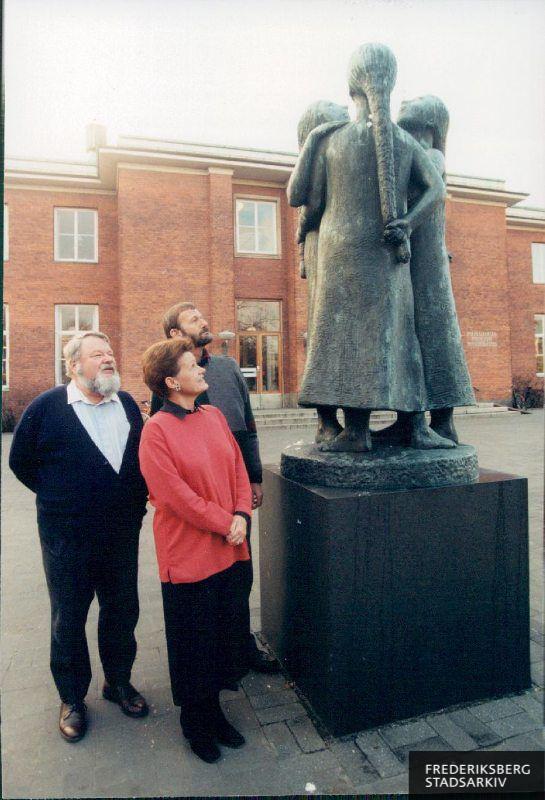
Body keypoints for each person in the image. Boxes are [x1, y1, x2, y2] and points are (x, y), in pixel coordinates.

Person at [288, 43, 454, 452]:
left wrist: (312, 139)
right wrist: (407, 223)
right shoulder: (405, 141)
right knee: (398, 336)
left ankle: (356, 431)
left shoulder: (330, 140)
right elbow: (437, 190)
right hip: (388, 253)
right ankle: (408, 425)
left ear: (351, 88)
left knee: (345, 339)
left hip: (340, 251)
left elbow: (299, 196)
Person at [9, 332, 149, 743]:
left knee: (122, 610)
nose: (108, 359)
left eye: (110, 352)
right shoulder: (47, 408)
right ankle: (72, 698)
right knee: (68, 618)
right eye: (97, 355)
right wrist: (60, 499)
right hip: (66, 538)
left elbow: (136, 461)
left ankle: (118, 682)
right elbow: (20, 463)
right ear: (74, 366)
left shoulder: (124, 403)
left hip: (122, 533)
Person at [139, 337, 252, 763]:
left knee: (222, 638)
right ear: (171, 381)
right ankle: (195, 722)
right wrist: (227, 523)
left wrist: (241, 512)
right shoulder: (156, 431)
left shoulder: (215, 415)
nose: (202, 369)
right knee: (193, 644)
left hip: (229, 548)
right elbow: (173, 497)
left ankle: (216, 713)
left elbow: (238, 468)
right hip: (188, 557)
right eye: (192, 365)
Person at [150, 301, 279, 673]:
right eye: (193, 319)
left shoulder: (227, 367)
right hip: (200, 505)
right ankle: (216, 658)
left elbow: (247, 425)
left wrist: (254, 477)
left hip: (235, 493)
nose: (204, 321)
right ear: (175, 334)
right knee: (206, 586)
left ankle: (242, 649)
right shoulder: (169, 377)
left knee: (240, 576)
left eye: (202, 316)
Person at [287, 100, 350, 443]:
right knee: (323, 333)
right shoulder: (317, 158)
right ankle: (326, 420)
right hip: (322, 248)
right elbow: (308, 204)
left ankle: (342, 421)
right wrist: (300, 234)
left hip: (336, 250)